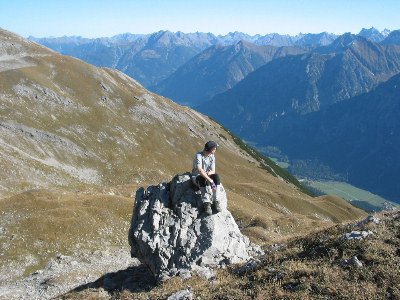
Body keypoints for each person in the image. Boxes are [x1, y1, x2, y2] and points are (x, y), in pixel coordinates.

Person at [192, 141, 222, 216]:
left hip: (206, 175)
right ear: (211, 149)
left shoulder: (212, 157)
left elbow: (213, 171)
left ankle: (216, 201)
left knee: (216, 176)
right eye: (215, 148)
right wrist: (210, 180)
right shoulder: (198, 155)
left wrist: (207, 175)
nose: (216, 149)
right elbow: (199, 170)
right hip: (197, 177)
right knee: (202, 178)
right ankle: (207, 203)